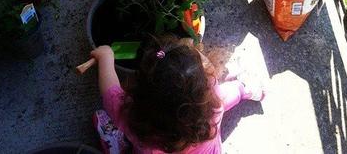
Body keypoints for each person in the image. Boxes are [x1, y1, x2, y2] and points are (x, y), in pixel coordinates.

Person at [91, 35, 265, 153]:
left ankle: (115, 142)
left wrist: (106, 57)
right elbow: (215, 81)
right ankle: (245, 88)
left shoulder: (132, 120)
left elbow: (109, 91)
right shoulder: (213, 108)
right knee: (228, 93)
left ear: (141, 92)